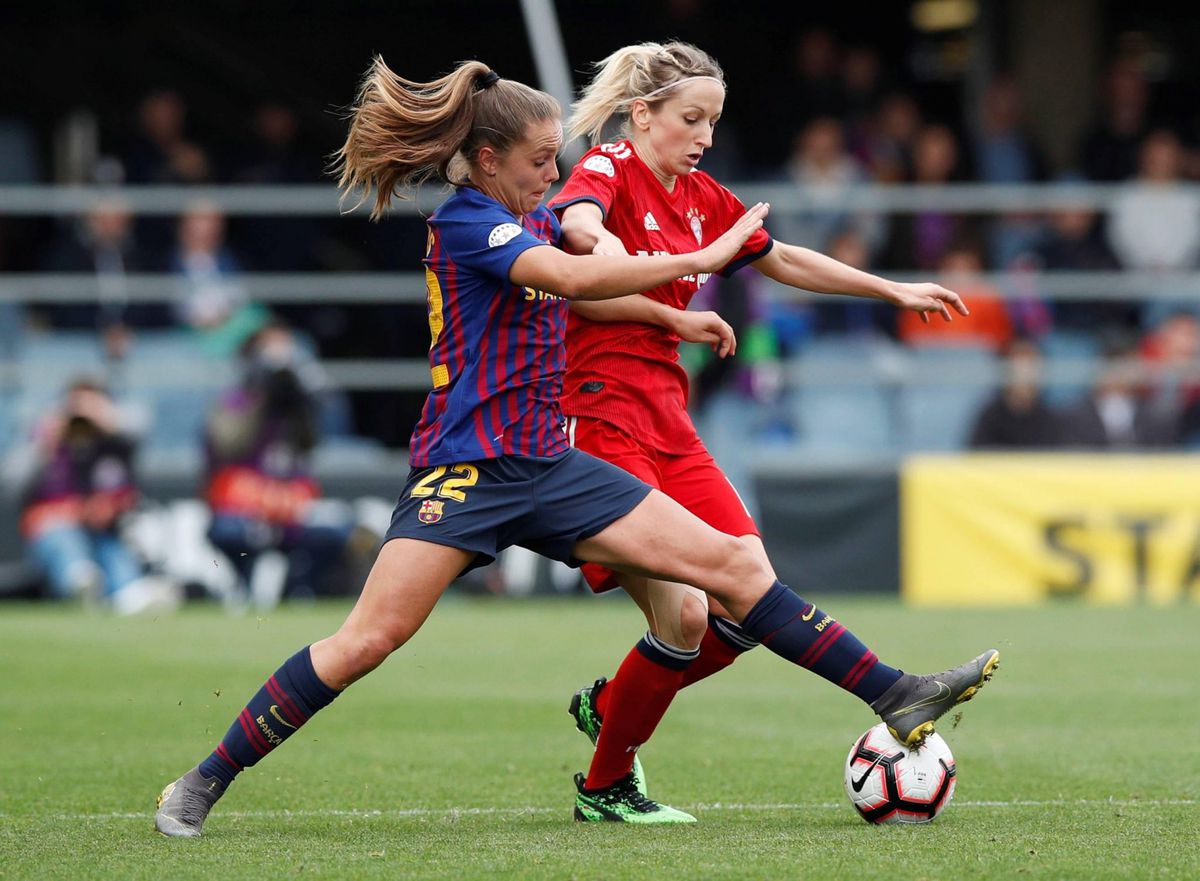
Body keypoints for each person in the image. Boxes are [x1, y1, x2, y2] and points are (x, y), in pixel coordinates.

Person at [154, 57, 998, 838]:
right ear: (486, 160)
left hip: (553, 468)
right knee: (367, 640)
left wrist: (671, 314)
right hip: (465, 472)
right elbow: (571, 277)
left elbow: (589, 284)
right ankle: (203, 779)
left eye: (557, 158)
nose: (552, 176)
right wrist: (696, 261)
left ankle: (894, 691)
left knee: (737, 572)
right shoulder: (466, 224)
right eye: (537, 161)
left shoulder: (530, 215)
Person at [546, 41, 996, 817]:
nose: (705, 137)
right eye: (692, 119)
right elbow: (581, 238)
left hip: (668, 418)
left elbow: (781, 258)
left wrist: (890, 290)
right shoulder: (607, 171)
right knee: (689, 613)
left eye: (713, 122)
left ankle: (617, 702)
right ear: (642, 114)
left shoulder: (696, 193)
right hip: (599, 417)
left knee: (747, 598)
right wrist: (642, 267)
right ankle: (605, 782)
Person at [17, 377, 179, 614]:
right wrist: (45, 442)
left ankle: (128, 592)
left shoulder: (113, 441)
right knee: (65, 539)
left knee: (112, 546)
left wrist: (105, 416)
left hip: (101, 531)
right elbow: (15, 484)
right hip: (56, 532)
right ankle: (78, 580)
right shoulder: (48, 440)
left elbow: (141, 431)